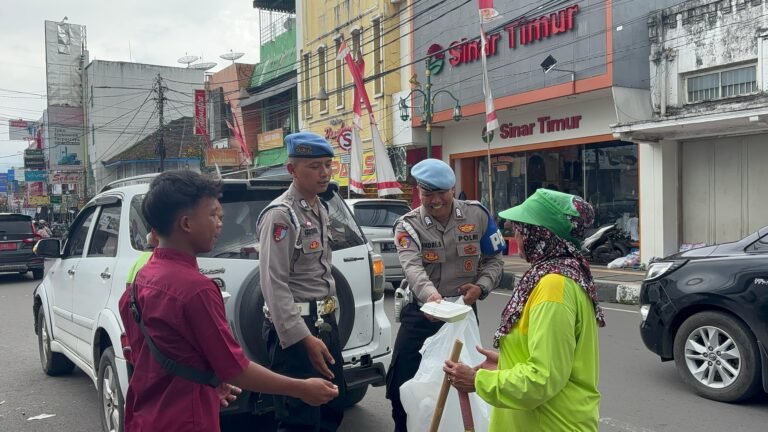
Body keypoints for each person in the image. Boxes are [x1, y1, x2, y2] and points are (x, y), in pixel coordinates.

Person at [117, 170, 338, 432]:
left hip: (145, 416)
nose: (220, 223)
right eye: (213, 215)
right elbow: (236, 369)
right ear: (186, 224)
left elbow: (151, 351)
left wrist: (207, 379)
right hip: (186, 419)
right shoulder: (196, 290)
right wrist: (301, 388)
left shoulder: (142, 277)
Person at [443, 188, 605, 431]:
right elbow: (551, 359)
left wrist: (478, 380)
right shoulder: (562, 274)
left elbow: (542, 379)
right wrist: (506, 363)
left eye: (520, 230)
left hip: (549, 423)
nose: (516, 236)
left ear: (540, 235)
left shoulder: (554, 285)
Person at [386, 158, 506, 432]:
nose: (435, 200)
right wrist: (430, 297)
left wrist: (481, 287)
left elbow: (495, 260)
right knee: (401, 383)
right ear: (419, 192)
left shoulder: (477, 215)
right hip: (423, 314)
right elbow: (412, 267)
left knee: (465, 385)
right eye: (428, 194)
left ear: (453, 188)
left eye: (441, 192)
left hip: (462, 314)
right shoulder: (407, 225)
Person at [256, 132, 347, 432]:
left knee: (333, 407)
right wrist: (303, 338)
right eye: (314, 166)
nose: (324, 173)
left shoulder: (320, 208)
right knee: (299, 419)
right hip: (296, 333)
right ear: (292, 170)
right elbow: (274, 284)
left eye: (327, 165)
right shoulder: (281, 216)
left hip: (323, 323)